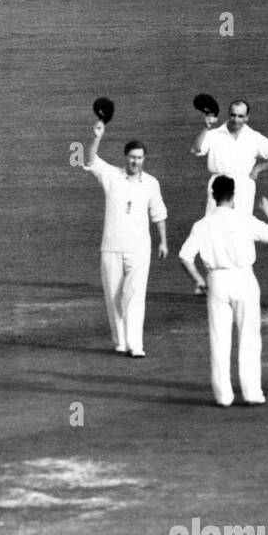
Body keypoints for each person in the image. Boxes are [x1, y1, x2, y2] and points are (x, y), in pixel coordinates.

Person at [178, 177, 268, 407]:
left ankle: (223, 397)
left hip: (217, 280)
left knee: (219, 339)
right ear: (234, 196)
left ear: (213, 196)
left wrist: (199, 281)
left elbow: (184, 257)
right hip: (244, 278)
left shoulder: (202, 224)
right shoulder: (244, 219)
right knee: (249, 338)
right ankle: (251, 393)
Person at [83, 118, 169, 357]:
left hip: (140, 249)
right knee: (113, 297)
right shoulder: (111, 176)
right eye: (132, 157)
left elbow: (159, 213)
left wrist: (163, 240)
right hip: (111, 247)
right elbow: (90, 160)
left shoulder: (151, 183)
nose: (135, 161)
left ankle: (136, 344)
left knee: (134, 295)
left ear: (144, 159)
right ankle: (121, 342)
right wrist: (97, 136)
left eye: (139, 158)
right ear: (126, 157)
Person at [190, 99, 268, 217]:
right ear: (229, 114)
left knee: (242, 228)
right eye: (233, 115)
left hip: (243, 186)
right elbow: (196, 150)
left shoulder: (254, 137)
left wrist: (259, 168)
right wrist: (206, 128)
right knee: (215, 226)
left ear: (247, 117)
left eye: (240, 116)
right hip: (218, 185)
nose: (236, 120)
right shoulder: (214, 134)